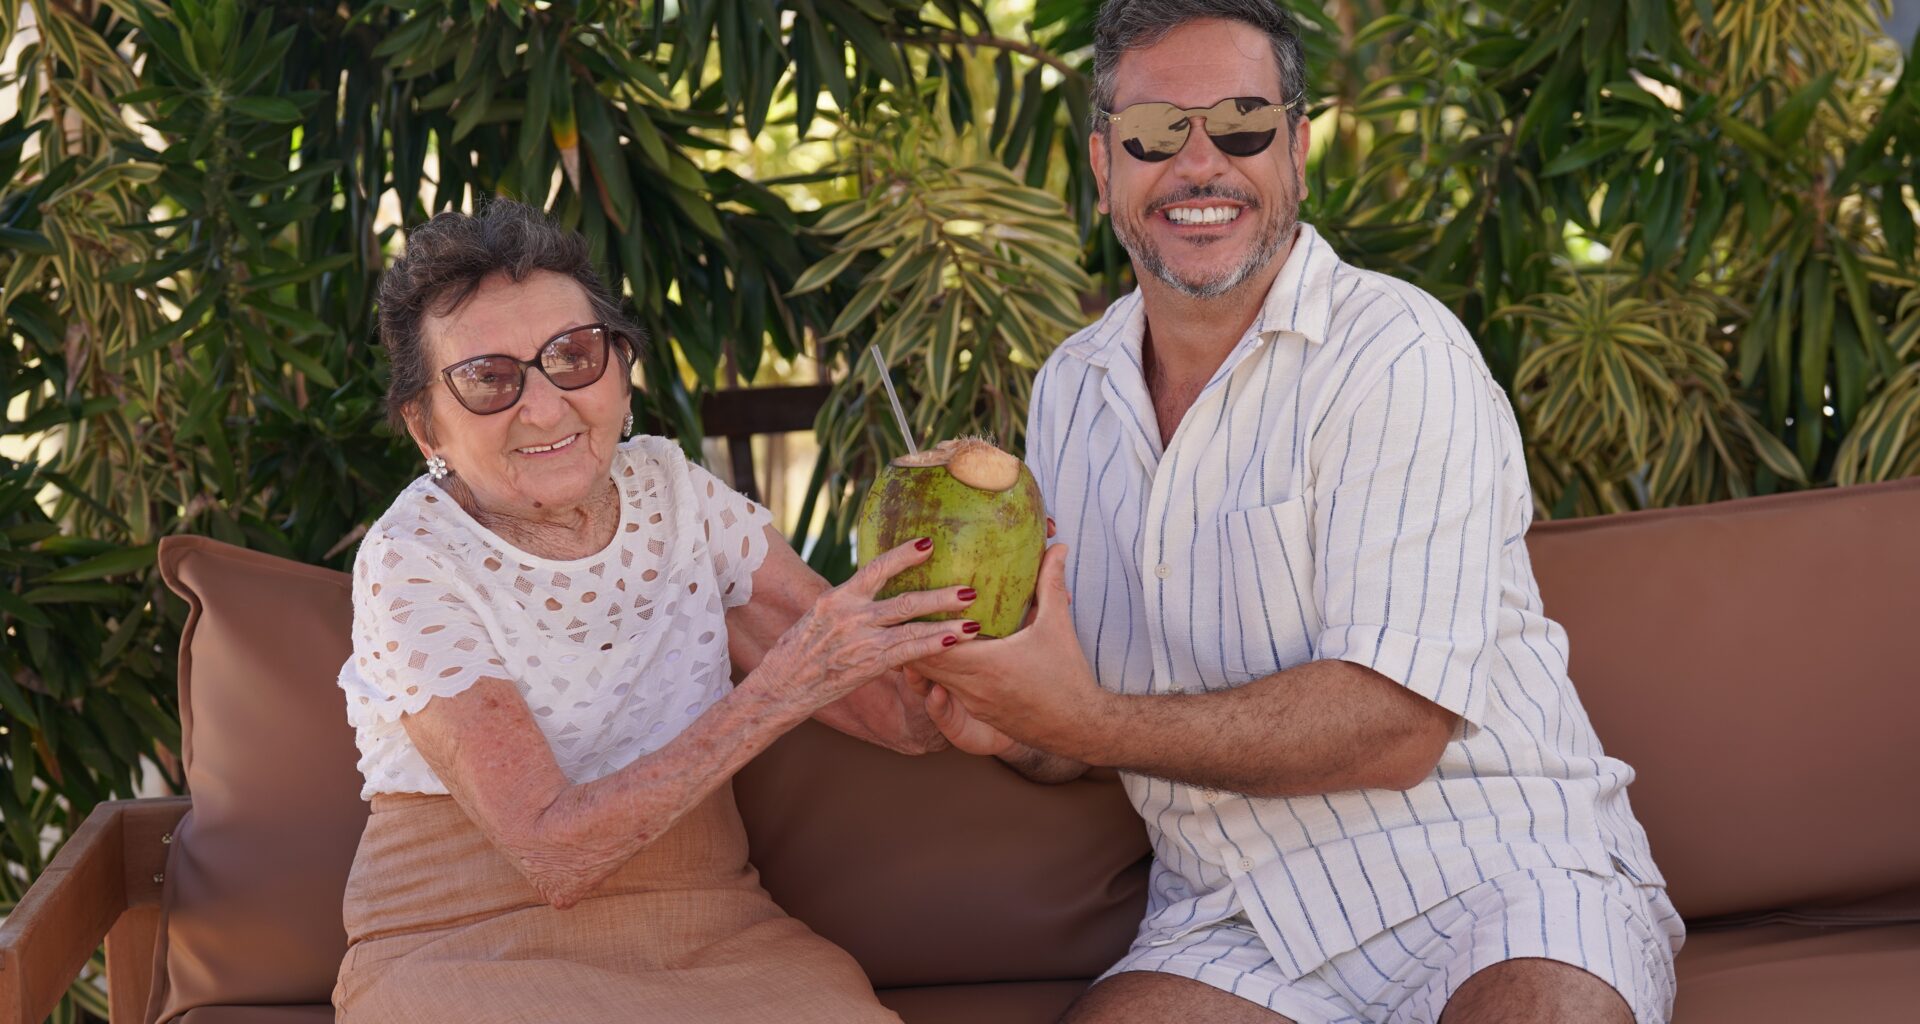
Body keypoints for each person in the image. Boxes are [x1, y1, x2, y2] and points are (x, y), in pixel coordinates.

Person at [912, 2, 1684, 1022]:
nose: (1200, 166)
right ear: (1104, 165)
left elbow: (1395, 725)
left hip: (1499, 876)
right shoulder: (1071, 391)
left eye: (1241, 125)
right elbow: (1089, 715)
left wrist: (1085, 720)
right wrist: (1011, 721)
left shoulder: (1400, 355)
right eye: (1154, 134)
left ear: (1297, 150)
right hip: (1235, 921)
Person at [331, 200, 979, 1023]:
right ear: (425, 424)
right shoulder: (411, 558)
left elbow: (902, 717)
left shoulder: (674, 494)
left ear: (622, 367)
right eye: (489, 379)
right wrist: (781, 689)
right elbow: (551, 854)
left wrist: (982, 607)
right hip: (467, 938)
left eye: (573, 355)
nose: (543, 405)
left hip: (708, 924)